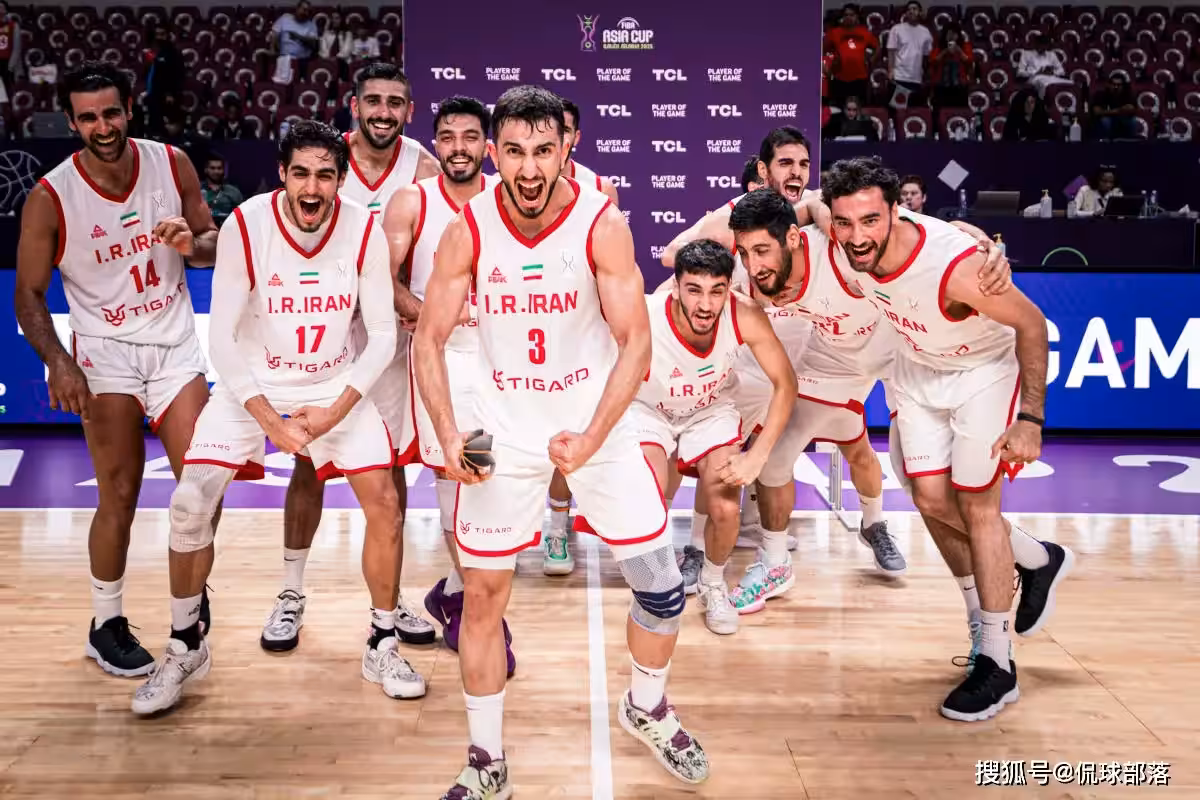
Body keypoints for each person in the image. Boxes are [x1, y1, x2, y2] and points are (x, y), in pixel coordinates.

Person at [414, 86, 707, 797]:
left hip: (598, 427)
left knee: (662, 589)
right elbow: (428, 338)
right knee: (482, 599)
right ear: (493, 153)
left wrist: (593, 436)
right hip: (501, 435)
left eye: (544, 150)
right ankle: (487, 761)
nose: (530, 167)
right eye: (514, 151)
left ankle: (647, 706)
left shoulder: (601, 224)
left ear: (567, 148)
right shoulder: (467, 230)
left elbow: (637, 345)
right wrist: (449, 434)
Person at [130, 121, 426, 714]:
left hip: (335, 384)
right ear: (282, 175)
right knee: (189, 502)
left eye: (325, 175)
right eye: (301, 174)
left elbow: (381, 336)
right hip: (254, 387)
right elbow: (222, 339)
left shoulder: (362, 229)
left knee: (386, 504)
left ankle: (383, 641)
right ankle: (185, 645)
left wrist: (332, 412)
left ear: (340, 179)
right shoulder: (246, 224)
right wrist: (272, 422)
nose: (312, 188)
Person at [822, 157, 1074, 722]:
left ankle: (998, 662)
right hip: (918, 369)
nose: (856, 235)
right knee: (931, 500)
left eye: (870, 220)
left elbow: (1032, 323)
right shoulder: (842, 233)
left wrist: (1031, 419)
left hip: (982, 373)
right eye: (845, 222)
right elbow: (807, 206)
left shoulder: (957, 268)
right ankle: (1037, 557)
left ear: (895, 212)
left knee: (978, 507)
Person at [15, 61, 218, 679]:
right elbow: (27, 294)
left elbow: (212, 245)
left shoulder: (172, 164)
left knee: (202, 488)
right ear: (71, 122)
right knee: (120, 494)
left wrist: (192, 244)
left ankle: (189, 601)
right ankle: (105, 624)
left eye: (110, 112)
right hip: (105, 352)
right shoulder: (51, 196)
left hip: (174, 342)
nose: (102, 126)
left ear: (130, 108)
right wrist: (59, 361)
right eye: (88, 117)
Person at [270, 62, 441, 653]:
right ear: (355, 105)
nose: (383, 112)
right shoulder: (324, 161)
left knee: (388, 471)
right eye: (374, 101)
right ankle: (290, 592)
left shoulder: (423, 167)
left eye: (395, 102)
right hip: (324, 335)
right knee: (307, 465)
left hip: (387, 343)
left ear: (409, 111)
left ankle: (390, 602)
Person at [373, 95, 517, 677]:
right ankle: (474, 605)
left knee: (499, 483)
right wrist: (422, 312)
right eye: (448, 137)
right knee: (461, 477)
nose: (459, 147)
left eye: (470, 137)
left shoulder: (508, 196)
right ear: (435, 143)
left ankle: (456, 589)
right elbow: (380, 277)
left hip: (504, 360)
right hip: (446, 358)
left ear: (488, 145)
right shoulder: (413, 199)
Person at [637, 239, 797, 635]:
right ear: (675, 287)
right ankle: (656, 583)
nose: (706, 305)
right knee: (648, 494)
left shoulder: (745, 314)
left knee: (726, 508)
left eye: (716, 291)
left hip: (710, 408)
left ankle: (712, 583)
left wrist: (757, 456)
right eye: (694, 290)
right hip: (650, 409)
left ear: (730, 288)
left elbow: (786, 383)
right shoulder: (645, 315)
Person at [560, 98, 621, 206]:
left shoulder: (601, 189)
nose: (557, 137)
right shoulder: (527, 184)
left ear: (576, 138)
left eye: (565, 130)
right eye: (551, 128)